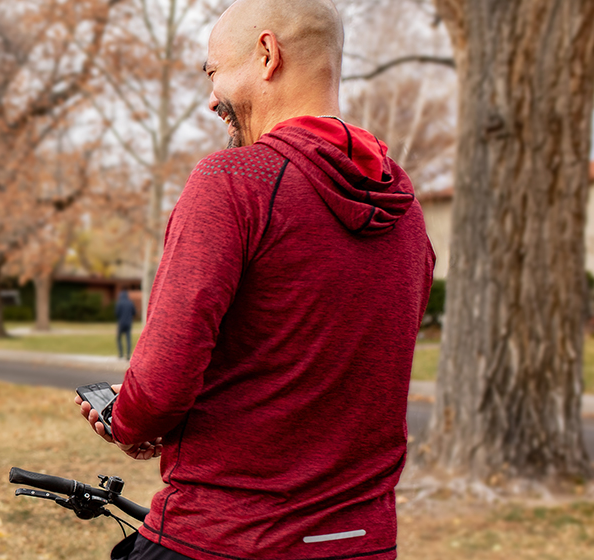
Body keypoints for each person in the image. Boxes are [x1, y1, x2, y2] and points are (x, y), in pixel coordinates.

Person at [78, 1, 434, 559]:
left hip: (224, 541)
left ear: (267, 55)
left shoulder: (232, 182)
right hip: (361, 546)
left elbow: (160, 388)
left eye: (213, 72)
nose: (211, 98)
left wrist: (126, 420)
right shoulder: (406, 214)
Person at [114, 291, 137, 359]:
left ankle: (121, 354)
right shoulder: (130, 303)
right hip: (129, 323)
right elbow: (134, 312)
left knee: (119, 338)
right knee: (128, 339)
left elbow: (116, 313)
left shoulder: (119, 303)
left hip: (121, 323)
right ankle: (128, 355)